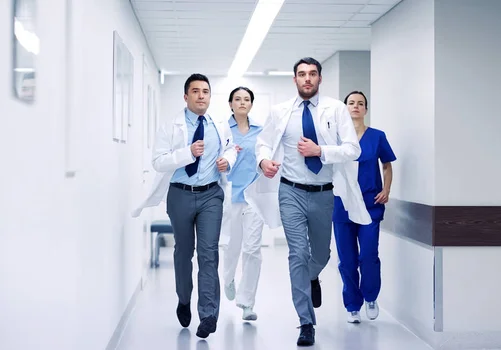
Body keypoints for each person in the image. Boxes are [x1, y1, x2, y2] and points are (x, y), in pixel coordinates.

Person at [245, 57, 371, 346]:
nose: (307, 79)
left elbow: (353, 149)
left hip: (324, 192)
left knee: (322, 255)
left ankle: (312, 276)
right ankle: (305, 322)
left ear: (320, 79)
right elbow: (263, 143)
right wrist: (264, 160)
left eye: (312, 74)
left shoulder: (336, 110)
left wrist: (321, 150)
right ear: (294, 80)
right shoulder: (280, 112)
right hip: (290, 191)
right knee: (297, 254)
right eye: (302, 74)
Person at [132, 73, 237, 339]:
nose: (201, 96)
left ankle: (208, 314)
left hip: (211, 195)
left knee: (208, 253)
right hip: (180, 194)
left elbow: (231, 149)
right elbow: (158, 161)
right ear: (185, 96)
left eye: (206, 91)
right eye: (196, 91)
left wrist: (227, 160)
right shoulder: (171, 126)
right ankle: (183, 298)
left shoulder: (219, 125)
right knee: (183, 252)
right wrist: (187, 153)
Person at [333, 91, 396, 324]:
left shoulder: (377, 136)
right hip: (342, 205)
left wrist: (387, 189)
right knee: (347, 259)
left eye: (360, 103)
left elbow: (387, 165)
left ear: (366, 110)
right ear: (345, 108)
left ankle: (370, 296)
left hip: (371, 204)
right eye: (351, 103)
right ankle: (352, 305)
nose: (356, 106)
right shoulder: (337, 138)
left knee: (368, 255)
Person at [220, 86, 264, 321]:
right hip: (231, 196)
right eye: (237, 99)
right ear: (230, 104)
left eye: (247, 99)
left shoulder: (261, 131)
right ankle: (228, 278)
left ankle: (247, 303)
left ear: (251, 104)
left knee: (253, 249)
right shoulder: (223, 130)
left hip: (254, 197)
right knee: (232, 246)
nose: (242, 103)